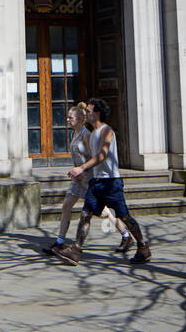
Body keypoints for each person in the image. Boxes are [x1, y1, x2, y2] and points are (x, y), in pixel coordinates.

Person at [55, 99, 151, 264]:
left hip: (111, 182)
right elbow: (92, 157)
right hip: (96, 182)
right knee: (85, 214)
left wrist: (82, 168)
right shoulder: (92, 134)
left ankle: (142, 247)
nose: (86, 114)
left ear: (97, 113)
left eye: (89, 111)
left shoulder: (106, 131)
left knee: (124, 216)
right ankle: (76, 251)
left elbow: (101, 155)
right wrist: (81, 171)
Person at [46, 103, 131, 255]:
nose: (67, 119)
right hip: (78, 178)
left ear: (79, 119)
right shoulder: (73, 134)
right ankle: (60, 242)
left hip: (89, 178)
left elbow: (94, 157)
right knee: (66, 206)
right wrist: (75, 172)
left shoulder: (86, 135)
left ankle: (125, 235)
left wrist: (82, 171)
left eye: (70, 117)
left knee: (103, 212)